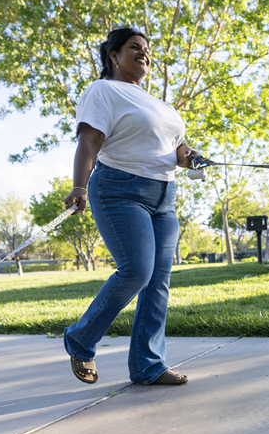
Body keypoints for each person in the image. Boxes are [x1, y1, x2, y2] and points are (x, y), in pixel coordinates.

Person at [62, 27, 197, 386]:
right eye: (134, 47)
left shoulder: (160, 104)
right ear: (114, 56)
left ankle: (148, 365)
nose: (144, 54)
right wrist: (79, 185)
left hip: (164, 197)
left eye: (147, 50)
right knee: (137, 270)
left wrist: (190, 157)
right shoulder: (102, 90)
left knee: (158, 283)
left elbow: (177, 148)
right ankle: (80, 339)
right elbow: (89, 140)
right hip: (119, 189)